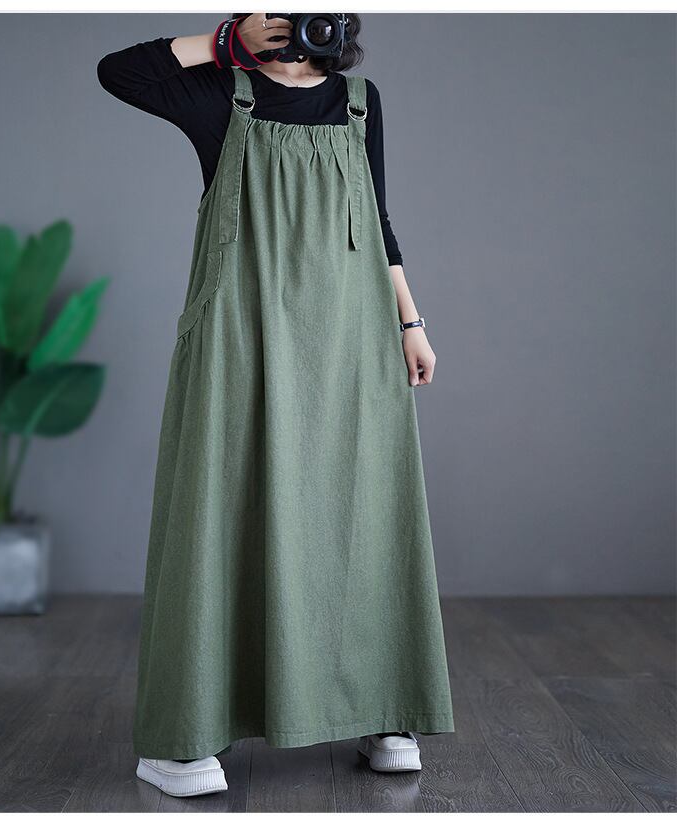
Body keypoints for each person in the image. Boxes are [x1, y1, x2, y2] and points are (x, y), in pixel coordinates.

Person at [97, 13, 454, 799]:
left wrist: (410, 322)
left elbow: (378, 218)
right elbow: (120, 71)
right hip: (240, 333)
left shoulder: (360, 101)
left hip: (350, 334)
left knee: (363, 512)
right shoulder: (221, 95)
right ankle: (186, 737)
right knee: (221, 510)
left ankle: (386, 711)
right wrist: (226, 40)